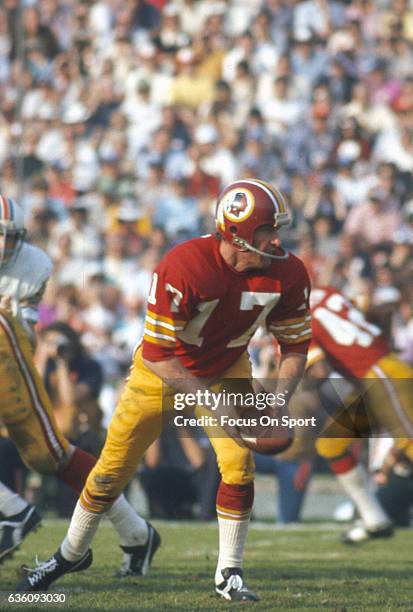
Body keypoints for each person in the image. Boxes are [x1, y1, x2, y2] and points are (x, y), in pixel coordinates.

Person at [17, 179, 312, 601]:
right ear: (236, 233)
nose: (277, 239)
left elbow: (295, 344)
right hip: (163, 369)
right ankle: (70, 554)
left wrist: (278, 402)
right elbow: (158, 354)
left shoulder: (288, 272)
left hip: (227, 364)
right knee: (109, 472)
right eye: (267, 229)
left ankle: (229, 573)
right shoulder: (186, 265)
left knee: (238, 465)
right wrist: (210, 401)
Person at [0, 195, 160, 572]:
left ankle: (15, 513)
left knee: (49, 454)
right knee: (54, 454)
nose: (3, 245)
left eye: (10, 236)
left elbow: (25, 332)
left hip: (9, 357)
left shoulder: (31, 266)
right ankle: (136, 532)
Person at [306, 286, 413, 543]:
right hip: (377, 375)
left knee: (409, 445)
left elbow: (318, 371)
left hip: (381, 376)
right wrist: (382, 345)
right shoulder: (325, 293)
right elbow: (381, 310)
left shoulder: (292, 319)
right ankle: (374, 519)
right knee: (331, 444)